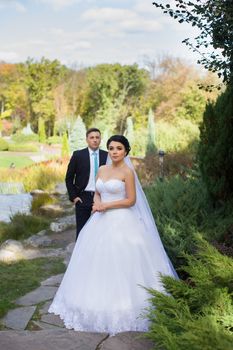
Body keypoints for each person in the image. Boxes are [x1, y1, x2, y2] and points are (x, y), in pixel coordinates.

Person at [49, 135, 177, 335]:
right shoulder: (102, 169)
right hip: (100, 220)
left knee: (123, 260)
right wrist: (96, 202)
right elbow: (97, 189)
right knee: (95, 260)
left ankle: (126, 305)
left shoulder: (127, 172)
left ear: (126, 151)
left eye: (118, 148)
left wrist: (106, 205)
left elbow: (131, 200)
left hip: (123, 220)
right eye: (111, 148)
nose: (114, 151)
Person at [65, 128, 108, 240]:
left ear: (100, 140)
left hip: (102, 198)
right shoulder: (78, 155)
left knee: (101, 230)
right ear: (87, 140)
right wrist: (74, 197)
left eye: (97, 137)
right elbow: (69, 178)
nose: (94, 140)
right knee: (82, 232)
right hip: (83, 198)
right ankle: (80, 256)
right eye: (92, 137)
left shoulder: (107, 156)